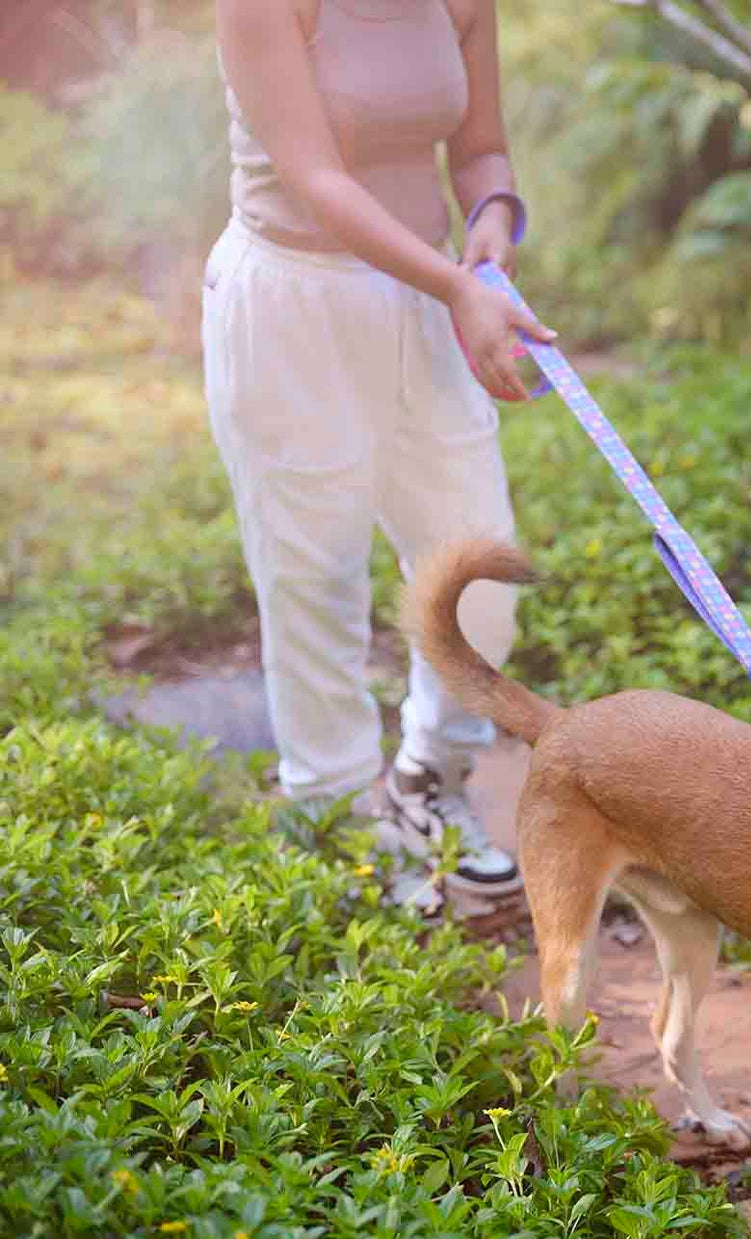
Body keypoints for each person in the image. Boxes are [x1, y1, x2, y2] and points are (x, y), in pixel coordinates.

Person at [204, 0, 551, 906]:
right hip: (292, 304)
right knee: (312, 578)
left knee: (479, 569)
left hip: (426, 301)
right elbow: (317, 178)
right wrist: (452, 284)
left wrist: (490, 223)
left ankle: (429, 777)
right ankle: (335, 811)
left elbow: (480, 146)